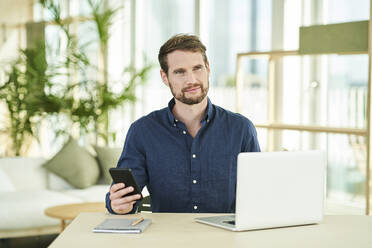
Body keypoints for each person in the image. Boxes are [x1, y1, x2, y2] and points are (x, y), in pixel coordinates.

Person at [105, 34, 260, 214]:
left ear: (208, 68)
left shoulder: (241, 129)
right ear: (165, 77)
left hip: (226, 239)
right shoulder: (143, 131)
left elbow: (257, 194)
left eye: (197, 68)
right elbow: (122, 196)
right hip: (167, 239)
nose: (191, 80)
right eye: (180, 72)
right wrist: (118, 204)